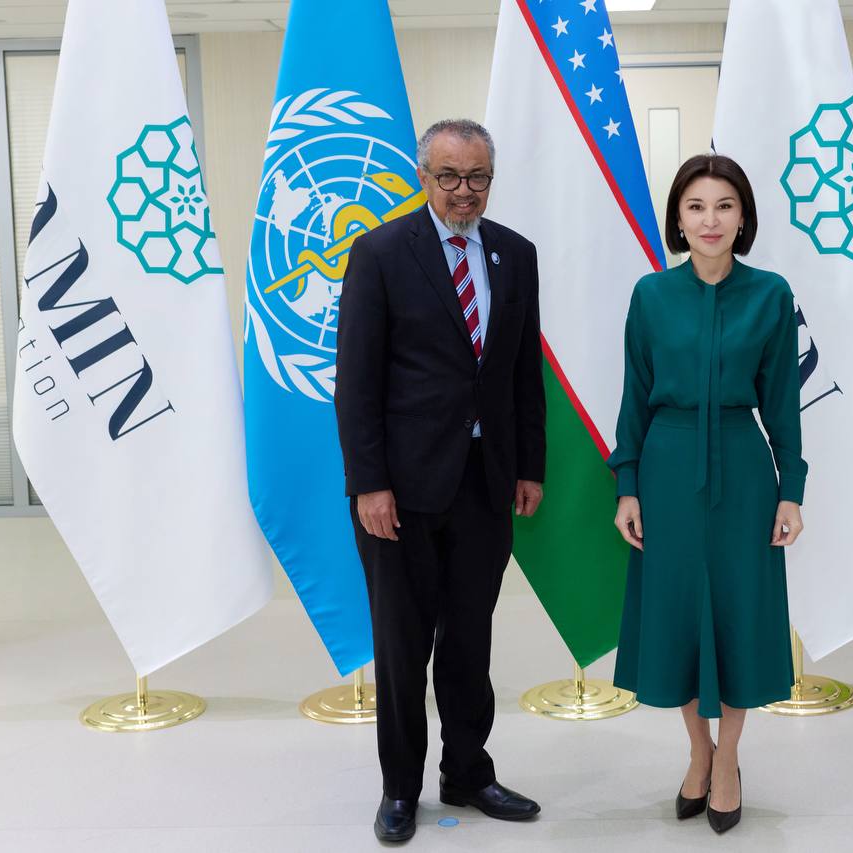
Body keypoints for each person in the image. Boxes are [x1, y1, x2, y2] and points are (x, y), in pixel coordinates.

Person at [335, 118, 546, 844]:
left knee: (469, 641)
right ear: (423, 177)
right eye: (450, 176)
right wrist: (369, 483)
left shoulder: (515, 254)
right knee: (403, 648)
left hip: (485, 484)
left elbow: (523, 371)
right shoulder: (380, 252)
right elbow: (356, 381)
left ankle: (467, 772)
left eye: (478, 177)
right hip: (400, 493)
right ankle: (401, 788)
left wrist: (529, 465)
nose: (465, 191)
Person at [607, 153, 807, 835]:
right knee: (678, 618)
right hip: (665, 469)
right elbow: (633, 397)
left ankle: (730, 761)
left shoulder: (772, 295)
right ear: (678, 219)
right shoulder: (651, 295)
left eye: (725, 205)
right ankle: (699, 750)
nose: (710, 219)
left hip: (744, 473)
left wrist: (791, 489)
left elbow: (783, 404)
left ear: (743, 216)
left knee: (739, 614)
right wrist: (627, 484)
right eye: (696, 206)